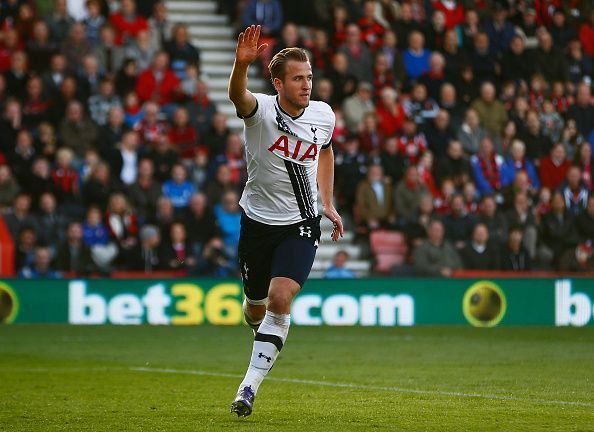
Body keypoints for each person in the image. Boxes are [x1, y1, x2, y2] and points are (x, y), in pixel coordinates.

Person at [228, 25, 342, 417]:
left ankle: (248, 387)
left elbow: (325, 152)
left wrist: (327, 203)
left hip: (301, 224)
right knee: (255, 308)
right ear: (278, 83)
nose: (307, 84)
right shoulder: (260, 112)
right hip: (257, 223)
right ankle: (257, 321)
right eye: (298, 78)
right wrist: (241, 65)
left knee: (281, 298)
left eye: (309, 77)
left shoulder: (323, 115)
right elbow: (236, 95)